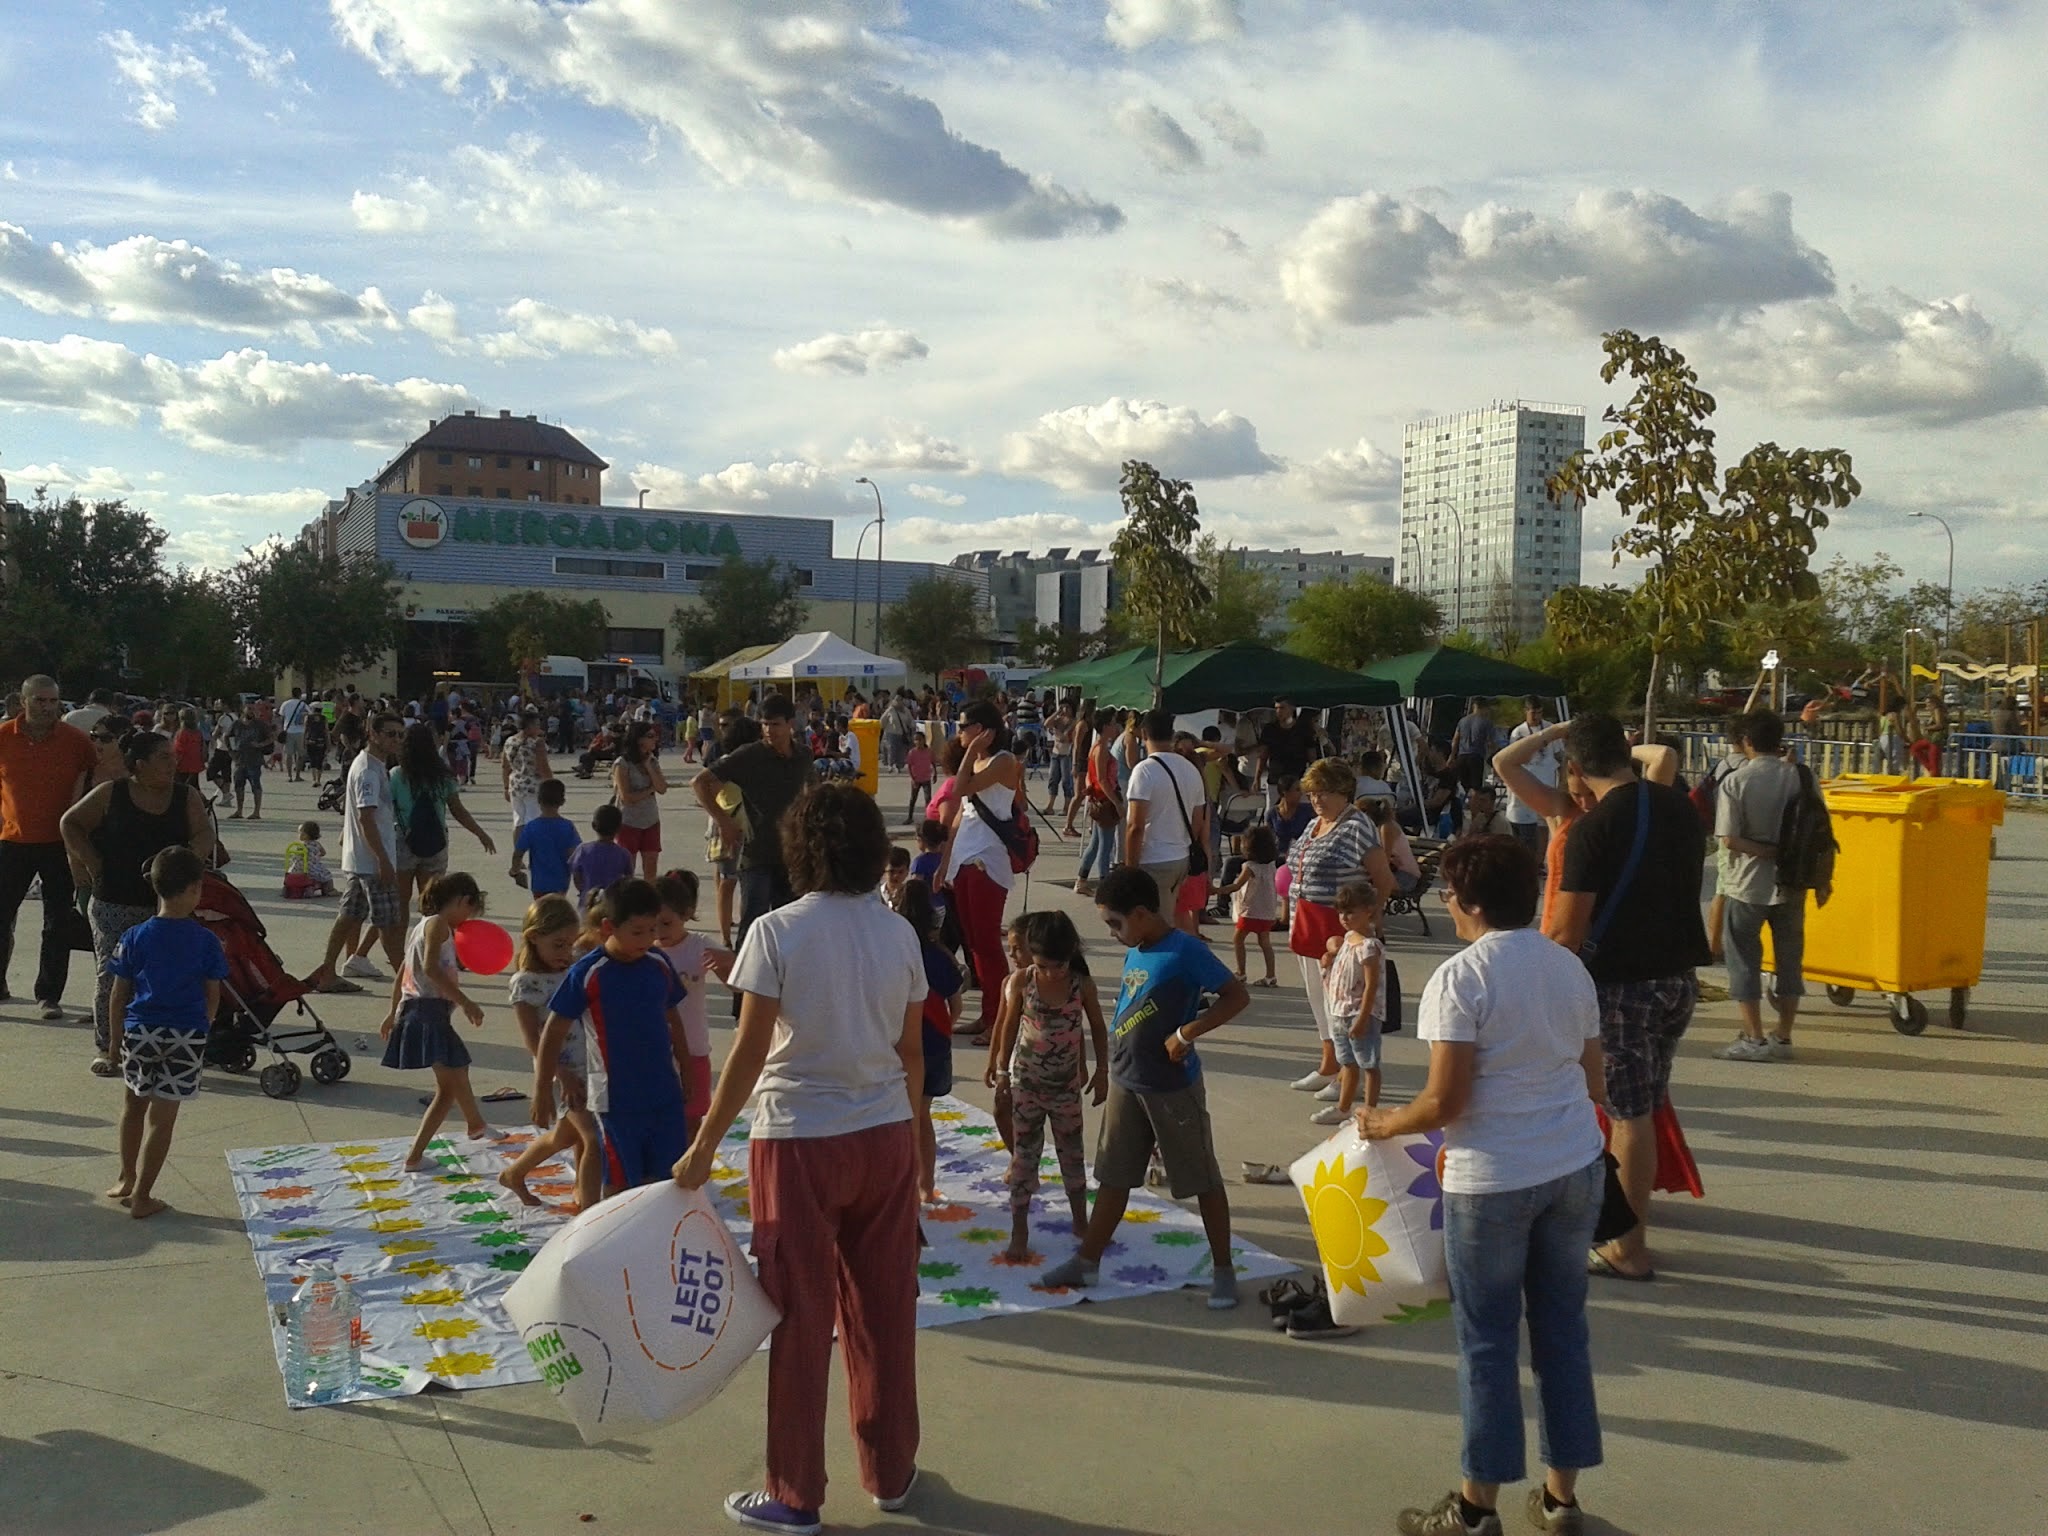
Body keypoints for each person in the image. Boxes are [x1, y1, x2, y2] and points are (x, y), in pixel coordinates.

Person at [671, 783, 927, 1534]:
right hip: (885, 1134)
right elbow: (912, 1053)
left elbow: (749, 1052)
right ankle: (891, 1469)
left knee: (801, 1317)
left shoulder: (776, 930)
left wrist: (704, 1145)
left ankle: (795, 1492)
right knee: (885, 1310)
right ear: (875, 846)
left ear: (798, 849)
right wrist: (916, 1141)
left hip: (797, 1140)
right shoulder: (899, 933)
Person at [1361, 836, 1607, 1536]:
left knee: (1488, 1342)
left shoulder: (1461, 977)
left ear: (1468, 904)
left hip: (1494, 1179)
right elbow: (1595, 1079)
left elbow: (1445, 1103)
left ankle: (1475, 1508)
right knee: (1563, 1333)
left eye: (1447, 894)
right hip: (1573, 1166)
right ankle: (1561, 1500)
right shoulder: (1568, 968)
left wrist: (1385, 1124)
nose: (1444, 903)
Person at [1039, 867, 1247, 1307]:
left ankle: (1224, 1268)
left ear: (1139, 913)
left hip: (1172, 1087)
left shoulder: (1186, 949)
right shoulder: (1138, 946)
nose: (1113, 934)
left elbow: (1235, 995)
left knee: (1202, 1179)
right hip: (1126, 1079)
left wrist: (1188, 1032)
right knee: (1114, 1176)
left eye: (1115, 924)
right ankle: (1088, 1261)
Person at [1551, 713, 1710, 1283]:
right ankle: (1623, 1232)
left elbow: (1567, 933)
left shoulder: (1593, 829)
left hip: (1622, 988)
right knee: (1642, 1104)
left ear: (1573, 768)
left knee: (1628, 1115)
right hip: (1677, 978)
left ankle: (1627, 1246)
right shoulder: (1677, 807)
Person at [60, 730, 213, 1076]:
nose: (172, 764)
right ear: (139, 765)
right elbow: (70, 823)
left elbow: (204, 833)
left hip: (167, 904)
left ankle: (162, 1041)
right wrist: (90, 862)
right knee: (113, 976)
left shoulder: (185, 796)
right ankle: (108, 1047)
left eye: (173, 757)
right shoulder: (111, 793)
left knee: (165, 973)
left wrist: (189, 861)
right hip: (114, 899)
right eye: (164, 758)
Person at [536, 877, 692, 1196]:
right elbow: (553, 1030)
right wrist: (541, 1088)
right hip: (617, 1102)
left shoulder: (659, 963)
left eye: (653, 930)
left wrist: (687, 1070)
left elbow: (673, 1018)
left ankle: (660, 1242)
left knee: (668, 1177)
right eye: (637, 932)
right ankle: (612, 1239)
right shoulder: (589, 973)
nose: (648, 939)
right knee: (618, 1180)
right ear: (609, 928)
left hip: (664, 1094)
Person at [103, 847, 227, 1220]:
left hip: (140, 1029)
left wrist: (113, 1043)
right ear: (193, 889)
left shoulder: (135, 936)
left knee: (133, 1107)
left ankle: (126, 1177)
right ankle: (143, 1196)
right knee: (163, 1119)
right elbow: (213, 993)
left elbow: (118, 993)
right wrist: (204, 1025)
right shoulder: (205, 940)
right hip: (185, 1033)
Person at [987, 909, 1106, 1261]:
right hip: (1027, 1084)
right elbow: (1008, 1026)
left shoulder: (1081, 985)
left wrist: (1101, 1071)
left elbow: (1097, 1027)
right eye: (1043, 966)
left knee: (1072, 1153)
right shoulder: (1024, 981)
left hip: (1066, 1088)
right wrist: (1002, 1070)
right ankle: (1019, 1229)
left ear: (1071, 956)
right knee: (1025, 1156)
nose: (1051, 973)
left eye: (1058, 966)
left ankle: (1080, 1220)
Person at [1285, 758, 1395, 1099]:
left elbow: (1384, 879)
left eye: (1326, 792)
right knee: (1320, 1002)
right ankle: (1329, 1063)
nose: (1318, 799)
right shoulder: (1316, 823)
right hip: (1307, 921)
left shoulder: (1357, 825)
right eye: (1314, 792)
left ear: (1344, 791)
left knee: (1343, 1003)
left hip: (1339, 926)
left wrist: (1369, 921)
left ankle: (1350, 1074)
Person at [377, 872, 502, 1169]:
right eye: (470, 910)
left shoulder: (421, 926)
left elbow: (402, 975)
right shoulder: (437, 925)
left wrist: (393, 1011)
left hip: (420, 1010)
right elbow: (431, 970)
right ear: (462, 901)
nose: (468, 919)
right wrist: (466, 1002)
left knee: (457, 1069)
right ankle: (415, 1157)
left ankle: (475, 1125)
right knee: (447, 1089)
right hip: (427, 1011)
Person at [1714, 711, 1815, 1063]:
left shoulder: (1735, 781)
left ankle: (1753, 1036)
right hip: (1792, 880)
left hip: (1747, 883)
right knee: (1789, 958)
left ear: (1747, 742)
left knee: (1743, 957)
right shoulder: (1801, 776)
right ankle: (1784, 1035)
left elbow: (1728, 839)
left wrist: (1763, 850)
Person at [0, 675, 98, 1018]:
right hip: (11, 842)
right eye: (40, 701)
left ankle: (49, 995)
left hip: (60, 845)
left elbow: (97, 779)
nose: (47, 708)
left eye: (53, 701)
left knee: (58, 922)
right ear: (22, 701)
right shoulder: (3, 737)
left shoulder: (75, 741)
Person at [694, 695, 816, 964]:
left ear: (791, 725)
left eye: (775, 724)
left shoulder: (804, 755)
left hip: (791, 855)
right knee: (753, 928)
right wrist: (724, 822)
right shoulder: (750, 755)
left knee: (790, 928)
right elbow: (700, 783)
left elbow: (812, 794)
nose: (769, 730)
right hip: (756, 855)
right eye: (764, 724)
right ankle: (743, 996)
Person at [938, 700, 1024, 1036]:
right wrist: (944, 862)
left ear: (983, 730)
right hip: (964, 857)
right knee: (973, 943)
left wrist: (972, 750)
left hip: (987, 859)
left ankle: (999, 1019)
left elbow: (960, 789)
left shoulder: (1002, 761)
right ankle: (989, 1014)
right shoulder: (978, 761)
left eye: (964, 726)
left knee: (987, 944)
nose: (959, 732)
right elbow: (960, 813)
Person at [307, 712, 408, 994]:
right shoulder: (368, 770)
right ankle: (411, 986)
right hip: (371, 862)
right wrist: (383, 860)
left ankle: (327, 972)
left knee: (349, 916)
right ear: (372, 734)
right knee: (389, 925)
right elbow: (366, 817)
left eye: (400, 734)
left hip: (361, 858)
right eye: (390, 734)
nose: (396, 740)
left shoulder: (374, 766)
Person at [385, 722, 495, 940]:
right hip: (435, 843)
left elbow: (385, 811)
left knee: (401, 901)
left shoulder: (397, 775)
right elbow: (458, 810)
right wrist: (480, 833)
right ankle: (432, 944)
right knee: (431, 903)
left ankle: (399, 949)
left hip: (403, 842)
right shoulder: (443, 777)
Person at [893, 877, 960, 1204]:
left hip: (904, 1047)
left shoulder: (895, 953)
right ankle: (926, 1185)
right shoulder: (942, 956)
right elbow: (956, 1004)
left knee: (905, 1120)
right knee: (923, 1115)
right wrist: (945, 1028)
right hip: (937, 1045)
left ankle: (904, 1187)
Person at [653, 869, 730, 1132]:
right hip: (656, 1050)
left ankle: (690, 1163)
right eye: (652, 924)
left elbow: (738, 982)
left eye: (666, 923)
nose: (658, 931)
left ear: (685, 915)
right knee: (657, 1115)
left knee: (692, 1115)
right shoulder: (644, 951)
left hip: (695, 1046)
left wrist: (726, 964)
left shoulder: (698, 946)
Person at [1122, 709, 1208, 918]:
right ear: (1172, 734)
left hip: (1153, 858)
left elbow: (1135, 826)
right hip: (1181, 857)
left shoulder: (1144, 770)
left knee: (1151, 927)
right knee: (1168, 919)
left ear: (1144, 734)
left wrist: (1129, 870)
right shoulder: (1190, 769)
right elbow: (1198, 820)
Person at [1315, 878, 1385, 1128]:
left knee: (1369, 1064)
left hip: (1359, 1013)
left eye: (1351, 911)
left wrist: (1363, 1017)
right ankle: (1344, 1108)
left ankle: (1370, 1111)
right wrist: (1328, 960)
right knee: (1348, 1062)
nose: (1345, 917)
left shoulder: (1369, 947)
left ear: (1368, 910)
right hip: (1340, 1011)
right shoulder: (1348, 939)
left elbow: (1371, 986)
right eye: (1342, 912)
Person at [1219, 822, 1281, 986]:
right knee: (1265, 942)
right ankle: (1271, 975)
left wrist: (1216, 890)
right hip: (1267, 910)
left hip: (1251, 909)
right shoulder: (1271, 865)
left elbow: (1237, 886)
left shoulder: (1249, 866)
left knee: (1238, 939)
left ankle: (1241, 972)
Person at [1075, 709, 1123, 898]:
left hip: (1098, 799)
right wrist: (1116, 802)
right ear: (1105, 727)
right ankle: (1105, 886)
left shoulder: (1097, 746)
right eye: (1112, 723)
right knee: (1106, 845)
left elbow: (1092, 776)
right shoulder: (1101, 749)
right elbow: (1102, 779)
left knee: (1095, 844)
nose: (1115, 727)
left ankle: (1082, 880)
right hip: (1104, 801)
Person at [1505, 698, 1561, 862]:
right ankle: (1526, 859)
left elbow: (1558, 754)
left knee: (1544, 822)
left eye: (1539, 712)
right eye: (1533, 712)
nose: (1536, 716)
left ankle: (1540, 859)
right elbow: (1512, 757)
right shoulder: (1519, 732)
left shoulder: (1551, 729)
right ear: (1526, 711)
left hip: (1547, 780)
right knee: (1525, 822)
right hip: (1526, 780)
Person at [611, 722, 669, 879]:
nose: (655, 739)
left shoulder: (652, 761)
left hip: (651, 820)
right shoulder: (622, 764)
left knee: (651, 866)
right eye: (650, 736)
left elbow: (662, 788)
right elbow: (627, 798)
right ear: (638, 740)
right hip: (628, 822)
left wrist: (649, 767)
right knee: (627, 869)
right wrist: (650, 790)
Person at [509, 778, 580, 895]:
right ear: (562, 801)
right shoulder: (567, 826)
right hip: (561, 883)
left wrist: (514, 871)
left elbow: (518, 853)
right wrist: (578, 880)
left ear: (538, 800)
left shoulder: (532, 827)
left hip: (539, 884)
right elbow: (574, 855)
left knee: (541, 910)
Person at [570, 803, 634, 912]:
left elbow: (576, 875)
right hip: (612, 904)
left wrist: (583, 890)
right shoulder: (623, 853)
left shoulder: (583, 850)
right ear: (619, 828)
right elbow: (628, 879)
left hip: (588, 903)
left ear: (594, 826)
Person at [1257, 696, 1320, 797]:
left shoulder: (1303, 729)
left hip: (1298, 779)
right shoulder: (1270, 729)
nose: (1278, 711)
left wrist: (1314, 778)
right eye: (1276, 708)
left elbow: (1312, 756)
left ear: (1292, 708)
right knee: (1274, 810)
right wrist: (1257, 778)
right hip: (1275, 779)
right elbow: (1263, 755)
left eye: (1282, 708)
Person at [501, 710, 553, 829]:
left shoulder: (509, 741)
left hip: (515, 784)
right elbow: (542, 767)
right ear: (530, 726)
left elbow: (504, 766)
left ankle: (518, 846)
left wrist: (505, 787)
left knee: (518, 820)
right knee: (533, 818)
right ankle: (533, 846)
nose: (539, 729)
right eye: (537, 725)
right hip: (533, 786)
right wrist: (551, 783)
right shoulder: (537, 743)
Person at [228, 699, 274, 820]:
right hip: (239, 759)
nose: (251, 711)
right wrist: (230, 751)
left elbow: (271, 738)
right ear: (243, 710)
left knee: (255, 785)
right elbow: (226, 736)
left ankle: (256, 812)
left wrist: (260, 745)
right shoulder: (237, 724)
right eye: (249, 708)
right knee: (238, 785)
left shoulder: (260, 725)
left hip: (254, 760)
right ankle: (239, 810)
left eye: (253, 709)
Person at [1451, 697, 1500, 792]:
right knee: (1476, 788)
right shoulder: (1487, 722)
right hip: (1476, 757)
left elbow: (1455, 739)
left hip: (1462, 756)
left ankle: (1464, 804)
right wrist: (1496, 753)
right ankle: (1474, 805)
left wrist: (1452, 756)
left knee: (1463, 787)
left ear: (1474, 706)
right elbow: (1490, 743)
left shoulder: (1462, 721)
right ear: (1485, 708)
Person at [292, 821, 334, 896]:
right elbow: (323, 853)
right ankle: (330, 889)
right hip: (313, 868)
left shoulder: (301, 846)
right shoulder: (317, 844)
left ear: (306, 835)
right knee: (327, 874)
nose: (298, 835)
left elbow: (296, 856)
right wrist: (316, 855)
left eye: (300, 833)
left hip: (300, 869)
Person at [279, 687, 310, 782]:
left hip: (288, 731)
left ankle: (289, 775)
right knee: (300, 754)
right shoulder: (303, 704)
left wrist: (283, 728)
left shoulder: (285, 704)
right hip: (300, 731)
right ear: (300, 694)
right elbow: (309, 715)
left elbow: (282, 717)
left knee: (289, 754)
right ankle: (297, 775)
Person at [171, 707, 206, 790]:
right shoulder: (197, 733)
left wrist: (174, 763)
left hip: (183, 765)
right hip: (195, 764)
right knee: (194, 787)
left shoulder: (182, 733)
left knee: (181, 787)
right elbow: (203, 747)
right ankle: (203, 801)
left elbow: (179, 750)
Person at [905, 730, 935, 820]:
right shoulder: (912, 753)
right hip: (916, 779)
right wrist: (912, 778)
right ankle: (909, 817)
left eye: (920, 740)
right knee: (913, 799)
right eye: (916, 740)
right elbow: (909, 766)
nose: (918, 742)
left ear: (924, 740)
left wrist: (935, 774)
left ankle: (928, 817)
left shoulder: (928, 751)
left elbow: (933, 762)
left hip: (926, 778)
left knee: (928, 799)